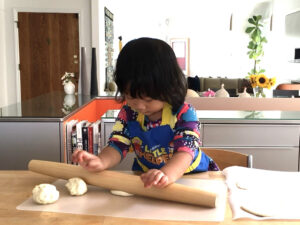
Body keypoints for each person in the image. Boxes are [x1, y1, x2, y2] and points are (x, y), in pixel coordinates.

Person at [72, 37, 219, 189]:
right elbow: (117, 145)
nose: (140, 106)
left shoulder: (184, 113)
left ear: (169, 88)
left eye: (148, 100)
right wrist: (101, 161)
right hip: (149, 179)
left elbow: (185, 152)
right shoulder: (128, 113)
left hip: (193, 177)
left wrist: (166, 174)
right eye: (131, 97)